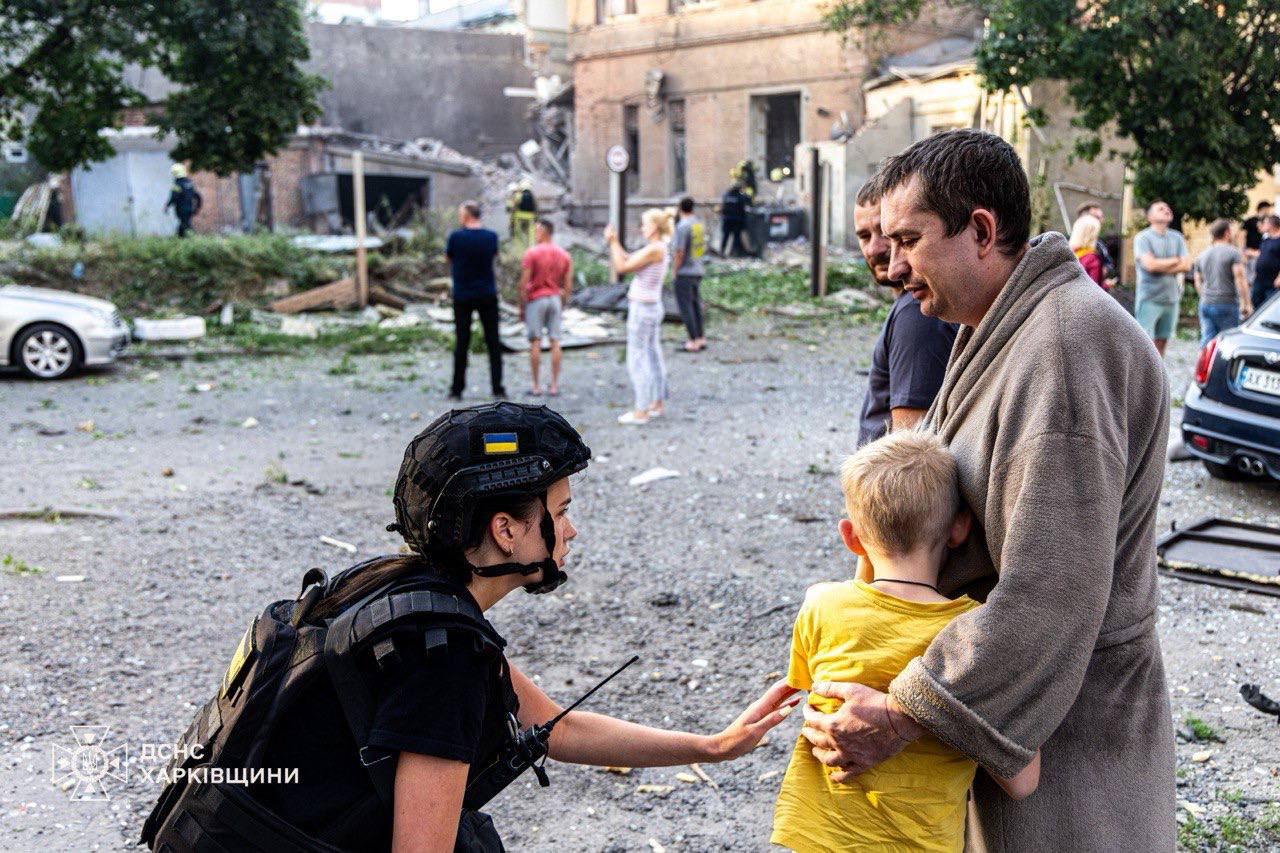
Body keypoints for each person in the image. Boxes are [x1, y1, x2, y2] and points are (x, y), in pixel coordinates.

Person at [142, 403, 799, 852]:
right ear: (506, 530)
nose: (571, 530)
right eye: (560, 511)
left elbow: (555, 727)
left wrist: (713, 745)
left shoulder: (399, 593)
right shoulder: (442, 655)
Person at [798, 129, 1174, 850]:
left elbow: (1051, 588)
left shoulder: (1064, 348)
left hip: (1069, 734)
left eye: (909, 240)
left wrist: (904, 713)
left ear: (980, 230)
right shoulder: (1003, 322)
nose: (894, 266)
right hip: (1016, 712)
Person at [773, 431, 1039, 852]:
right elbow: (1023, 781)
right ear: (960, 528)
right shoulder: (974, 633)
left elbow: (808, 686)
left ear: (850, 537)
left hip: (819, 836)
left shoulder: (820, 604)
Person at [853, 177, 957, 447]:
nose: (874, 248)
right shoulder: (911, 305)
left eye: (886, 233)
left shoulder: (917, 314)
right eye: (864, 236)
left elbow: (910, 452)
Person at [607, 209, 672, 425]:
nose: (642, 228)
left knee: (637, 358)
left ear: (654, 227)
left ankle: (641, 410)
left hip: (643, 309)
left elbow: (621, 266)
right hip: (651, 306)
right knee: (652, 354)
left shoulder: (655, 249)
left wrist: (612, 242)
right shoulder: (657, 247)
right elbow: (629, 258)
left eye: (645, 224)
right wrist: (615, 243)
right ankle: (656, 403)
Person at [446, 201, 505, 400]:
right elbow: (494, 256)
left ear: (466, 215)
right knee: (493, 341)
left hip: (463, 295)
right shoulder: (491, 237)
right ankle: (497, 387)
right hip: (487, 293)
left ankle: (457, 389)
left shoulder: (455, 237)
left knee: (462, 342)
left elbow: (449, 258)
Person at [518, 219, 573, 396]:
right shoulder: (564, 254)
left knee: (535, 341)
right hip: (555, 298)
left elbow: (524, 283)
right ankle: (554, 386)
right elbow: (568, 285)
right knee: (555, 341)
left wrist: (522, 304)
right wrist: (563, 303)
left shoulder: (532, 253)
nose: (535, 233)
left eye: (537, 230)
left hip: (536, 299)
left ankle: (536, 386)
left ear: (544, 231)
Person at [1133, 199, 1192, 356]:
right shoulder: (1143, 238)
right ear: (1150, 217)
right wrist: (1176, 260)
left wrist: (1161, 264)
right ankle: (1143, 372)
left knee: (1162, 341)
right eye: (1160, 208)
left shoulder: (1177, 237)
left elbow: (1187, 265)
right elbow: (1150, 265)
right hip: (1149, 298)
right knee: (1145, 343)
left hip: (1171, 299)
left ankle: (1158, 371)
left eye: (1167, 207)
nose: (1167, 210)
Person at [1192, 218, 1251, 345]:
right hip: (1227, 303)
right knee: (1227, 342)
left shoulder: (1202, 255)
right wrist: (1246, 303)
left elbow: (1197, 281)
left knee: (1207, 340)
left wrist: (1205, 296)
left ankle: (1204, 358)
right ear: (1227, 233)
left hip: (1206, 303)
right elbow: (1240, 278)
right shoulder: (1233, 253)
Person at [671, 196, 708, 352]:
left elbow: (679, 251)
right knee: (695, 305)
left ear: (680, 208)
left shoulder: (682, 226)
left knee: (686, 307)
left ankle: (692, 340)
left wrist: (675, 270)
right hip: (698, 269)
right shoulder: (698, 225)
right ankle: (701, 338)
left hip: (685, 271)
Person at [1075, 201, 1117, 286]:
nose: (1101, 221)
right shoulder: (1091, 255)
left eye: (1101, 217)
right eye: (1097, 217)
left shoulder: (1099, 245)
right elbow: (1092, 289)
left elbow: (1108, 264)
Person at [1068, 214, 1107, 288]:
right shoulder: (1091, 259)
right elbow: (1092, 289)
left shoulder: (1067, 255)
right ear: (1092, 236)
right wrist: (1106, 285)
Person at [1250, 213, 1280, 311]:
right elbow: (1262, 255)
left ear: (1271, 224)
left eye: (1265, 223)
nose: (1263, 225)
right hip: (1259, 280)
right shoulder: (1266, 239)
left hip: (1272, 282)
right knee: (1256, 304)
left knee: (1270, 307)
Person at [164, 164, 203, 238]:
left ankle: (192, 237)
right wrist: (198, 207)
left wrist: (167, 206)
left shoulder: (177, 184)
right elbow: (197, 196)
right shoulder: (189, 183)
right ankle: (180, 238)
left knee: (185, 225)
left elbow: (174, 197)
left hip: (181, 209)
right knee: (184, 223)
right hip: (190, 208)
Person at [1240, 200, 1271, 281]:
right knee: (1249, 278)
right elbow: (1242, 236)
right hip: (1249, 253)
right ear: (1263, 209)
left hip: (1259, 254)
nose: (1269, 212)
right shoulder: (1250, 221)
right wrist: (1243, 252)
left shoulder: (1268, 222)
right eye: (1268, 209)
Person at [719, 182, 749, 257]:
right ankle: (736, 253)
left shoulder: (726, 195)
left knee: (725, 236)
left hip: (727, 220)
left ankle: (722, 251)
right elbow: (745, 204)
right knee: (736, 237)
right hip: (736, 220)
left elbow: (723, 207)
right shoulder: (740, 197)